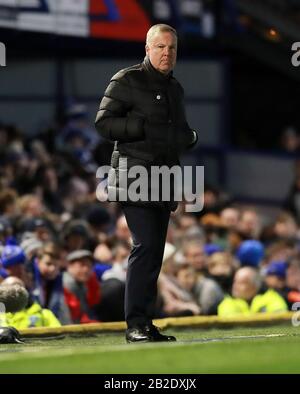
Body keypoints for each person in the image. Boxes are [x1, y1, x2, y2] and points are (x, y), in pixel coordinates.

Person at [95, 24, 197, 342]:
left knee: (154, 253)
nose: (167, 53)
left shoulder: (175, 89)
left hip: (164, 179)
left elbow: (178, 131)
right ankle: (135, 325)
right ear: (148, 48)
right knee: (146, 247)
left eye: (172, 48)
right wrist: (140, 126)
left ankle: (145, 323)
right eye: (161, 47)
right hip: (134, 177)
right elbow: (103, 122)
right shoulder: (127, 79)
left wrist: (189, 137)